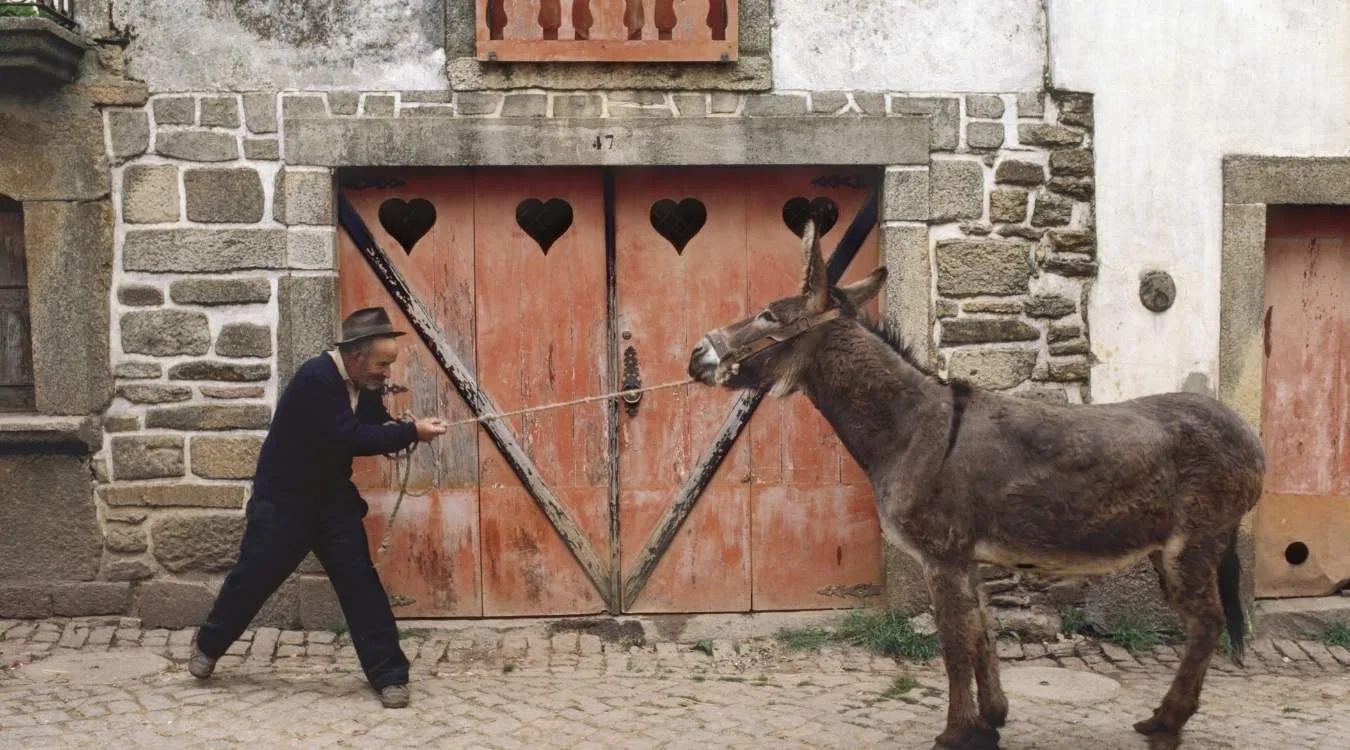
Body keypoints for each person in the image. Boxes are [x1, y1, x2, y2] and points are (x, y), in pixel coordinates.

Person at [187, 306, 448, 708]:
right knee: (252, 580)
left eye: (389, 365)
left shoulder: (363, 383)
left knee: (361, 586)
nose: (386, 373)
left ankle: (390, 676)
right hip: (283, 501)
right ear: (356, 356)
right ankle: (208, 645)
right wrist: (412, 432)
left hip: (331, 502)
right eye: (382, 364)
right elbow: (350, 437)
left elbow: (373, 425)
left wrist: (399, 428)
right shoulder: (317, 378)